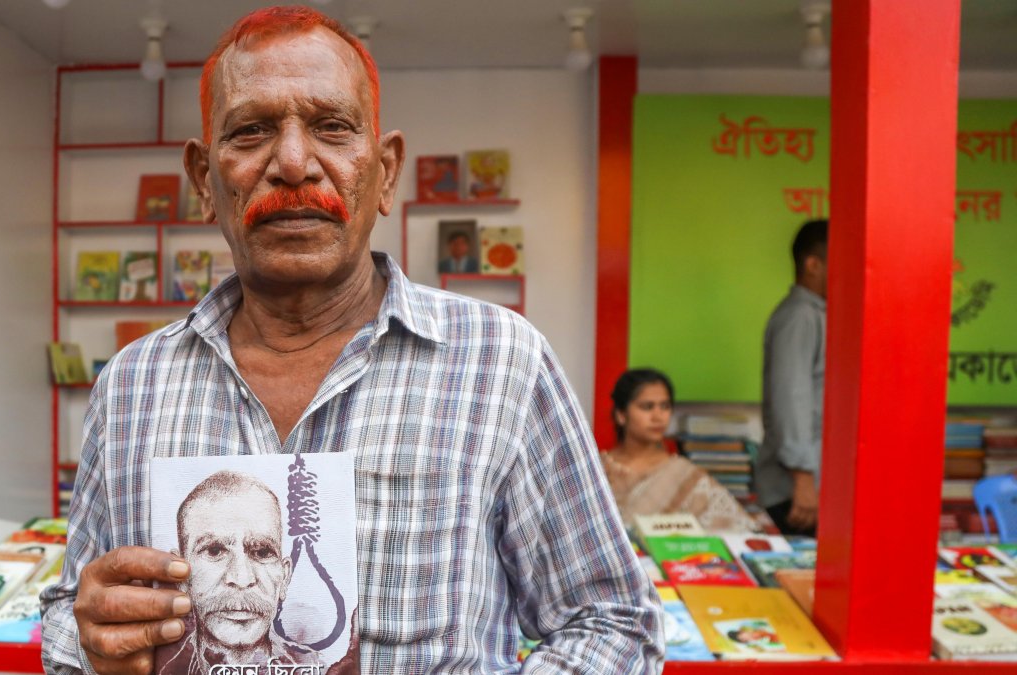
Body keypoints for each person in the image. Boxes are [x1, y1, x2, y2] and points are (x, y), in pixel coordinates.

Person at [40, 6, 664, 674]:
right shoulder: (132, 384)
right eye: (250, 131)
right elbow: (66, 612)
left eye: (331, 127)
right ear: (204, 181)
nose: (292, 161)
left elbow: (614, 623)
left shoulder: (503, 363)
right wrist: (89, 637)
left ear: (386, 171)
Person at [157, 471, 321, 674]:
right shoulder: (162, 668)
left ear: (284, 577)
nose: (242, 578)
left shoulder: (319, 665)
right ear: (180, 574)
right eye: (214, 551)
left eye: (261, 552)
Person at [601, 369, 760, 533]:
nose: (658, 416)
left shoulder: (684, 475)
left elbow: (739, 530)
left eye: (665, 406)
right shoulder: (596, 470)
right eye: (647, 407)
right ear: (621, 415)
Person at [756, 219, 828, 537]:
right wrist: (803, 481)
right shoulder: (800, 316)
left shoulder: (820, 315)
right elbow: (792, 398)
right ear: (813, 265)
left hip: (813, 481)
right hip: (798, 488)